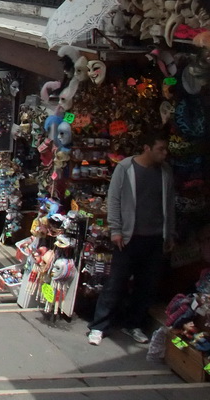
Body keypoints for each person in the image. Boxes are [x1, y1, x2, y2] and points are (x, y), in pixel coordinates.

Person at [87, 133, 175, 345]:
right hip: (128, 237)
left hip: (154, 238)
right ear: (147, 147)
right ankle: (99, 326)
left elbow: (169, 204)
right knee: (115, 283)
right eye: (160, 148)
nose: (164, 153)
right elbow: (114, 200)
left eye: (165, 149)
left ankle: (133, 324)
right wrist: (115, 229)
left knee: (146, 285)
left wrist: (169, 233)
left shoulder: (165, 172)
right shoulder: (125, 168)